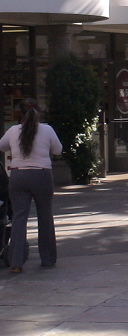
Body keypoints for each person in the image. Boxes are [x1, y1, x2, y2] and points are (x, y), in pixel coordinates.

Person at [0, 98, 62, 273]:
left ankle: (16, 262)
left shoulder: (13, 130)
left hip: (18, 176)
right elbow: (58, 150)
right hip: (42, 175)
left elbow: (1, 147)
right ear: (38, 113)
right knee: (45, 216)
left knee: (19, 218)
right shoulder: (47, 129)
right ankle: (47, 259)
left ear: (20, 114)